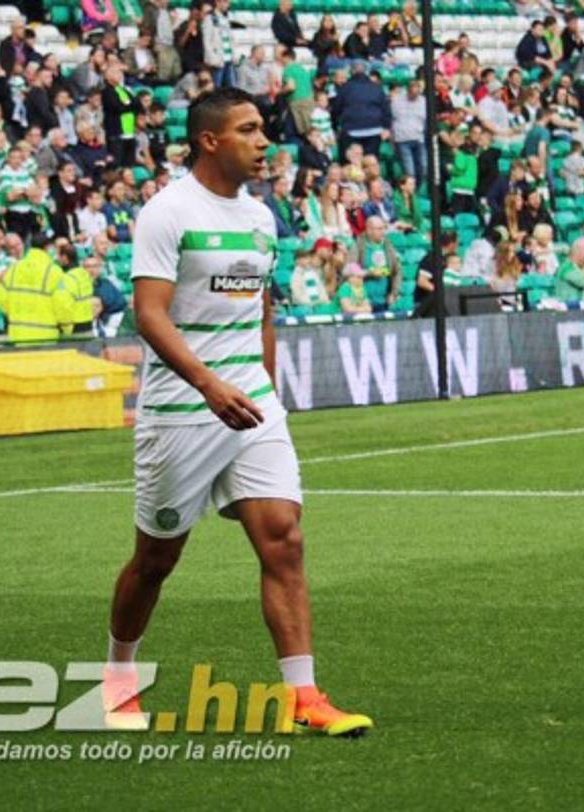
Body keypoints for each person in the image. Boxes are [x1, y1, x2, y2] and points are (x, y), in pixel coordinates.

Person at [113, 87, 372, 737]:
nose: (264, 142)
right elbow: (149, 315)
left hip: (251, 405)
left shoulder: (260, 218)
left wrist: (265, 389)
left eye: (264, 130)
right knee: (156, 561)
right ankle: (116, 685)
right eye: (249, 131)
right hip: (181, 408)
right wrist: (206, 384)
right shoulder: (166, 213)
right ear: (210, 141)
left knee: (284, 538)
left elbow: (260, 310)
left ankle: (304, 696)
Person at [0, 231, 71, 341]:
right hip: (46, 336)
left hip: (17, 334)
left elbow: (2, 300)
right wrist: (67, 329)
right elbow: (62, 304)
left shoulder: (14, 268)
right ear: (48, 247)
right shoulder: (54, 272)